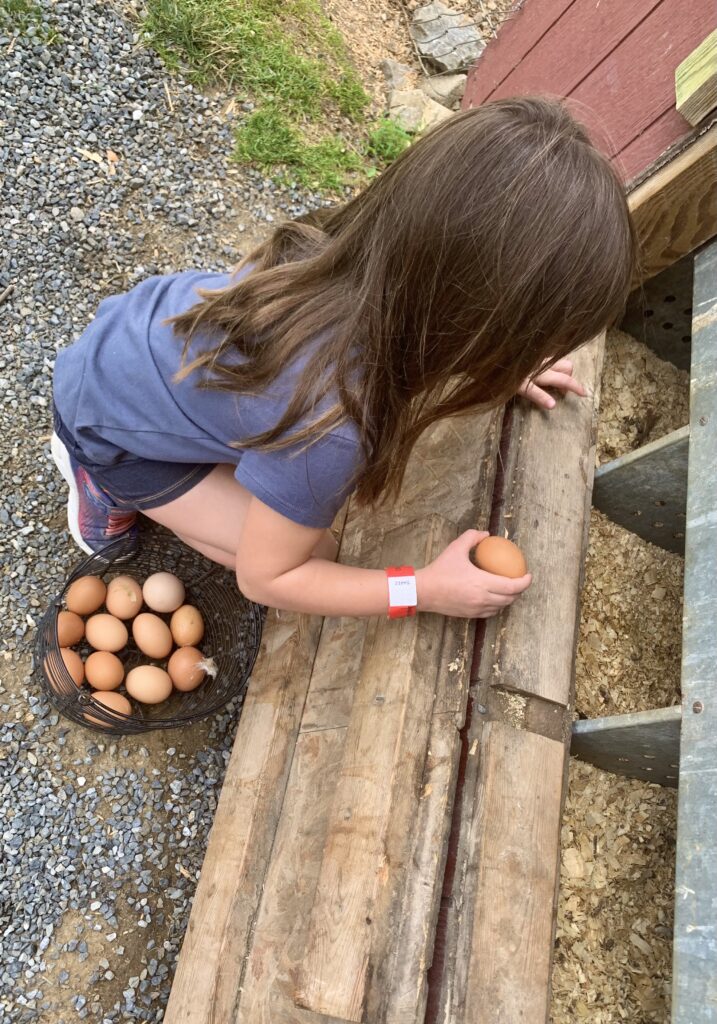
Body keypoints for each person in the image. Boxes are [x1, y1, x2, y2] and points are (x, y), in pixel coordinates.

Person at [51, 96, 636, 620]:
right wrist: (422, 589)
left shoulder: (350, 251)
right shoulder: (334, 425)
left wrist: (502, 363)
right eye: (536, 337)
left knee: (293, 516)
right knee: (321, 551)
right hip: (102, 424)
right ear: (475, 321)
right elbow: (267, 579)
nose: (549, 351)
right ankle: (98, 478)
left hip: (135, 337)